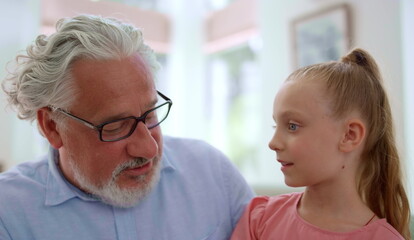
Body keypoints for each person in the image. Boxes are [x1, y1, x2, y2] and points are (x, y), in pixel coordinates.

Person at [0, 15, 254, 240]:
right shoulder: (8, 213)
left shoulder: (212, 172)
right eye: (116, 126)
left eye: (150, 114)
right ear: (52, 126)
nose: (149, 148)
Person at [231, 48, 410, 239]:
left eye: (292, 126)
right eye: (276, 125)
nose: (273, 143)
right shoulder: (260, 219)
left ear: (349, 135)